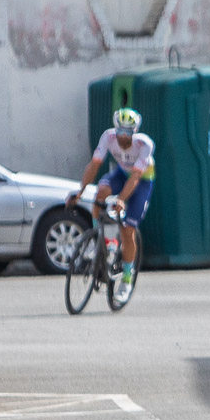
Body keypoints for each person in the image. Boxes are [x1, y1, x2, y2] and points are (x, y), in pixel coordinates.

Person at [67, 108, 154, 303]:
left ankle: (127, 278)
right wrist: (80, 192)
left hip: (142, 181)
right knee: (101, 194)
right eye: (120, 132)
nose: (123, 137)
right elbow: (94, 165)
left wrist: (122, 199)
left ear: (135, 131)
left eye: (128, 133)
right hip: (121, 174)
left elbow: (136, 176)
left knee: (128, 229)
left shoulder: (144, 144)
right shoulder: (108, 136)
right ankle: (100, 240)